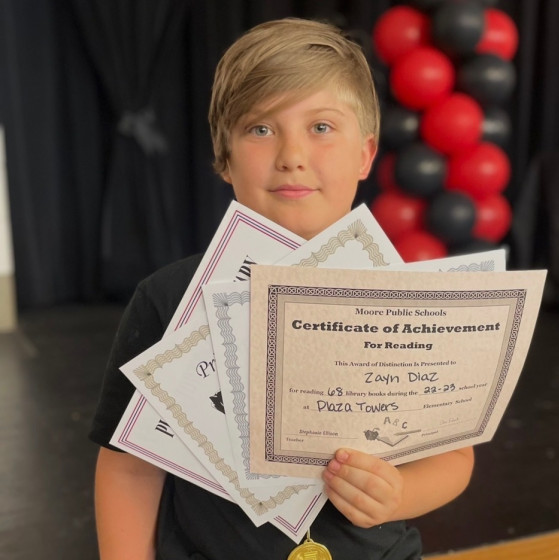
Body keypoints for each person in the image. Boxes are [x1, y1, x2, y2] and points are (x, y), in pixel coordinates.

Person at [90, 17, 475, 560]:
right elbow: (130, 466)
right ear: (225, 159)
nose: (292, 154)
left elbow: (454, 458)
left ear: (365, 155)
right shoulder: (168, 298)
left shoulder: (409, 303)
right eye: (260, 129)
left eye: (321, 127)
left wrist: (399, 494)